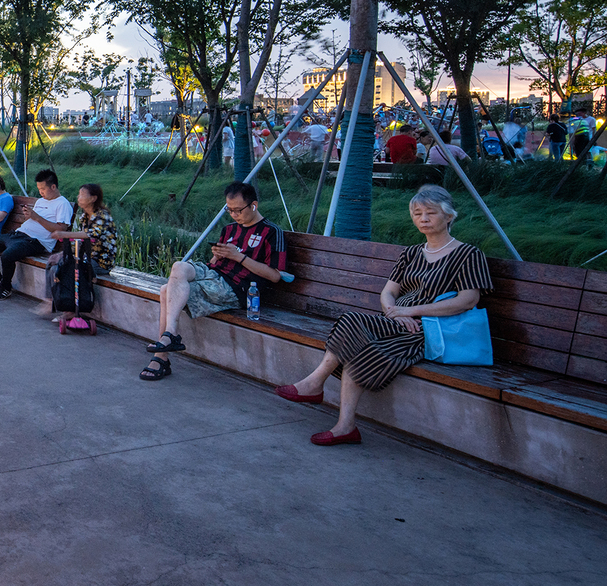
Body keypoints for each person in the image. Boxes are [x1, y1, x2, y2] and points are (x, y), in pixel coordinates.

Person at [275, 185, 492, 445]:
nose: (423, 219)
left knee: (354, 330)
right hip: (397, 322)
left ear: (449, 216)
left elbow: (468, 301)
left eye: (430, 213)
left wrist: (410, 311)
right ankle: (342, 422)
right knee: (353, 329)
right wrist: (394, 312)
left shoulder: (468, 254)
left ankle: (321, 392)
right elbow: (388, 292)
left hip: (428, 330)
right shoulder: (411, 253)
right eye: (417, 213)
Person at [141, 182, 286, 382]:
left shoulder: (271, 232)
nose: (234, 215)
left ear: (253, 205)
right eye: (230, 210)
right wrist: (217, 257)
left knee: (167, 290)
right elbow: (212, 265)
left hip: (237, 288)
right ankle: (170, 334)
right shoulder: (229, 230)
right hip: (214, 275)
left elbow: (275, 275)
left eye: (238, 210)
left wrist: (239, 257)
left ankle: (161, 357)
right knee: (178, 267)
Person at [0, 169, 74, 301]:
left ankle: (6, 287)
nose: (40, 192)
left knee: (7, 255)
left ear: (53, 186)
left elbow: (61, 229)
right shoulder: (40, 201)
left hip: (36, 242)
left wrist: (36, 217)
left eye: (43, 189)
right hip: (17, 235)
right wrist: (29, 217)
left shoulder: (63, 204)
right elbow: (32, 221)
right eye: (39, 189)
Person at [35, 182, 117, 326]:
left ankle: (71, 311)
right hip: (85, 257)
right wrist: (65, 253)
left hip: (100, 262)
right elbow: (79, 240)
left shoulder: (102, 216)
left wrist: (64, 234)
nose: (78, 198)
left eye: (82, 195)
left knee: (69, 269)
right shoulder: (84, 217)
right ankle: (51, 301)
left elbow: (91, 235)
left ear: (93, 198)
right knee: (54, 262)